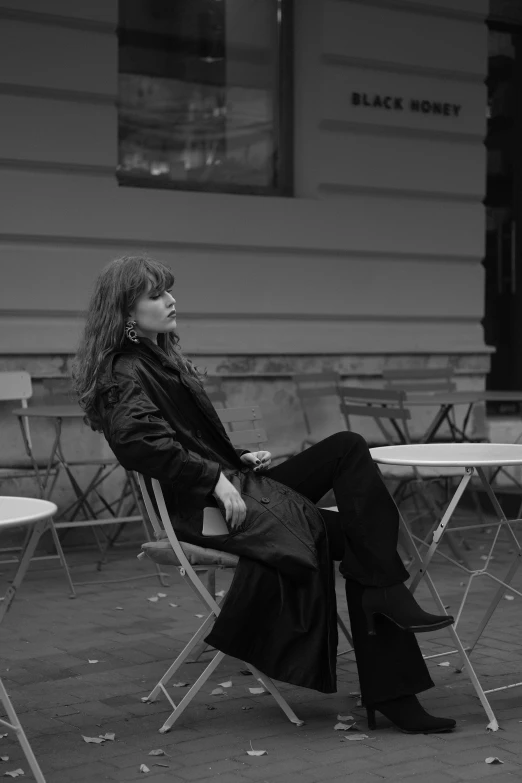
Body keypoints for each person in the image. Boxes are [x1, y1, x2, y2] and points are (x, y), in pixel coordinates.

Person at [72, 255, 457, 734]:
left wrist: (235, 460)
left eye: (168, 290)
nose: (171, 300)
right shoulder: (126, 371)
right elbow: (138, 443)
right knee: (363, 538)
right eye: (156, 295)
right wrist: (214, 477)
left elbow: (186, 437)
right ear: (126, 314)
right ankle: (393, 683)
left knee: (347, 451)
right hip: (210, 514)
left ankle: (386, 626)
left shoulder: (159, 360)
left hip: (236, 492)